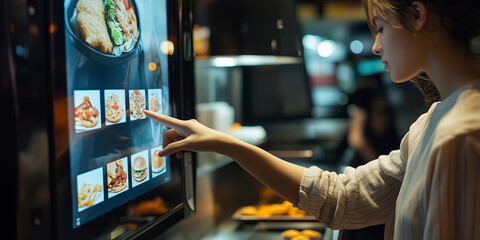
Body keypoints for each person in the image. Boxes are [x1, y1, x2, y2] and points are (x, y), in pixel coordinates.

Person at [144, 0, 480, 238]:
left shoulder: (460, 134)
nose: (376, 46)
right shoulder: (434, 120)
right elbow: (343, 198)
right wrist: (228, 144)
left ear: (418, 15)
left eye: (379, 28)